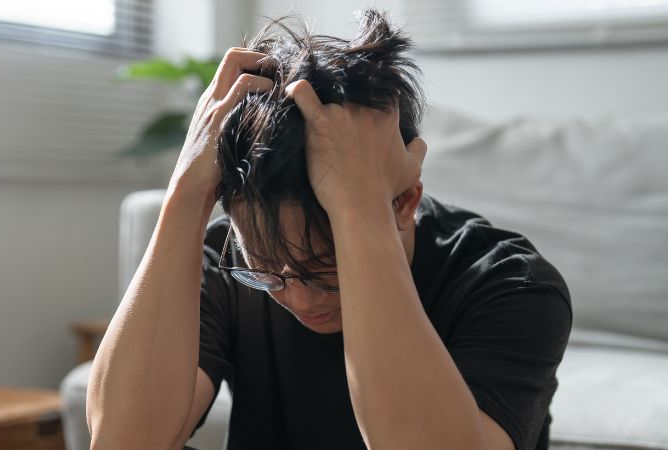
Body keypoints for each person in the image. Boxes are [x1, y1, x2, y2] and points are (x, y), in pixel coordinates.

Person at [87, 9, 572, 450]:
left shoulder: (510, 284)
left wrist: (359, 209)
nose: (298, 299)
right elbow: (124, 441)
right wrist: (185, 194)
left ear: (405, 202)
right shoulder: (227, 259)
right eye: (268, 276)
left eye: (322, 272)